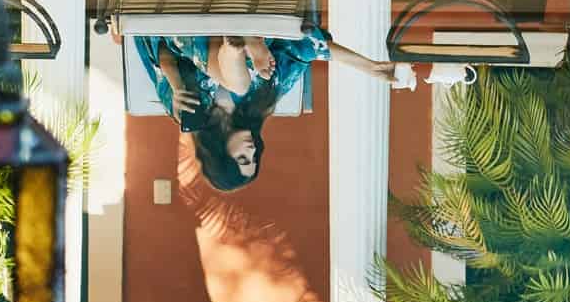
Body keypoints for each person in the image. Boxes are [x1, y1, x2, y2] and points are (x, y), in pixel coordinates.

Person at [130, 28, 394, 192]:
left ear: (222, 156)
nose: (252, 151)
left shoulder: (189, 114)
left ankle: (238, 43)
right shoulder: (261, 103)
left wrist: (176, 87)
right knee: (245, 85)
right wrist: (370, 67)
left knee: (239, 83)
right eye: (255, 158)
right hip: (252, 27)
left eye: (243, 158)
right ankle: (239, 41)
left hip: (189, 33)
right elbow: (306, 50)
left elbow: (162, 54)